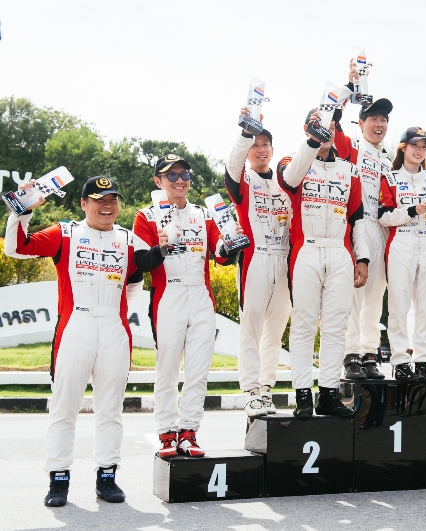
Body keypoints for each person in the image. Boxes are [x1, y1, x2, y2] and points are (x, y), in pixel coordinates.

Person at [4, 176, 166, 507]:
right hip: (75, 327)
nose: (107, 205)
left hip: (114, 330)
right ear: (83, 203)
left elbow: (137, 278)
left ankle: (107, 476)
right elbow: (16, 247)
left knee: (111, 410)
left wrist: (114, 314)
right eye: (98, 199)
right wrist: (22, 212)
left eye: (112, 199)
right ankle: (58, 478)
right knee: (64, 407)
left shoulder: (128, 238)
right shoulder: (65, 232)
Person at [134, 154, 240, 458]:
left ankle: (189, 432)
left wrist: (231, 241)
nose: (179, 181)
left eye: (184, 175)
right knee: (167, 368)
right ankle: (167, 432)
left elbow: (221, 256)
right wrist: (160, 249)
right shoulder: (146, 216)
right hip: (168, 295)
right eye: (171, 176)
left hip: (201, 296)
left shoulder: (205, 215)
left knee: (198, 370)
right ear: (158, 181)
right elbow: (141, 262)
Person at [276, 109, 369, 417]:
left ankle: (328, 394)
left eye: (331, 124)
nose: (326, 129)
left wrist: (363, 258)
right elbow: (289, 180)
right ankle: (303, 396)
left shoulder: (349, 170)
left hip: (340, 253)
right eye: (318, 124)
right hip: (307, 251)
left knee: (335, 327)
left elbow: (358, 218)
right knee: (303, 324)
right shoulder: (293, 161)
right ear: (308, 128)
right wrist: (312, 142)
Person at [226, 107, 292, 417]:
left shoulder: (284, 182)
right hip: (255, 260)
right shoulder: (244, 180)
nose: (260, 149)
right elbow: (233, 164)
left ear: (272, 149)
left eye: (265, 144)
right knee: (251, 328)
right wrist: (246, 132)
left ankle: (266, 388)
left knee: (275, 331)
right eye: (255, 145)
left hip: (284, 260)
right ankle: (251, 390)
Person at [334, 61, 393, 380]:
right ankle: (351, 354)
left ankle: (370, 353)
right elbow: (330, 123)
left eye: (384, 119)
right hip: (357, 226)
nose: (379, 124)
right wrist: (348, 87)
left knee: (375, 297)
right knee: (355, 294)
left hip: (382, 229)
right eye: (373, 118)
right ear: (361, 122)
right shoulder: (351, 148)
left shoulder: (388, 160)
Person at [379, 127, 426, 382]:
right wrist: (412, 210)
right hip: (402, 240)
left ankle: (422, 361)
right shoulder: (391, 177)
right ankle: (399, 360)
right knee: (399, 303)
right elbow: (383, 216)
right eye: (414, 145)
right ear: (403, 148)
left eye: (423, 146)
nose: (419, 150)